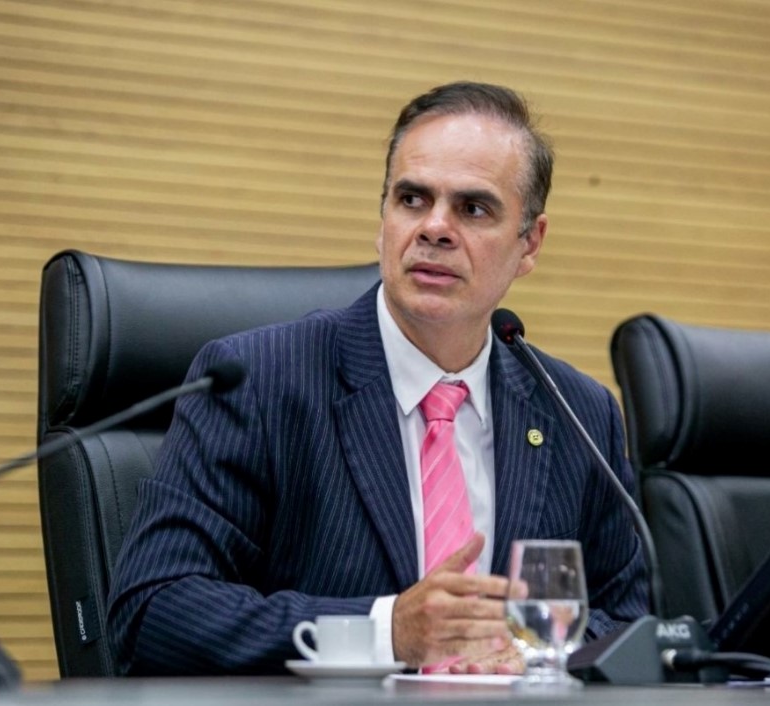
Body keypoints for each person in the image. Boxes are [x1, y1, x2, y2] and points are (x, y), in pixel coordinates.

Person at [107, 81, 649, 676]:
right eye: (412, 199)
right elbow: (154, 609)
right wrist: (386, 631)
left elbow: (629, 622)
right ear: (382, 218)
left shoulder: (577, 413)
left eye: (473, 209)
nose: (435, 228)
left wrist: (527, 650)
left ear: (530, 243)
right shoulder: (258, 382)